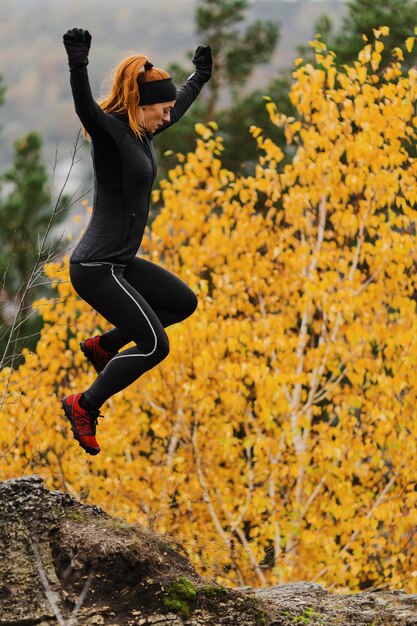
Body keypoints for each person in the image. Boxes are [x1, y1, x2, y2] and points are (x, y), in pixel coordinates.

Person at [61, 28, 212, 456]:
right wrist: (78, 62)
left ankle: (104, 344)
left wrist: (199, 77)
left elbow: (176, 104)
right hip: (94, 268)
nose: (167, 118)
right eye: (160, 111)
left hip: (121, 264)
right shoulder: (110, 133)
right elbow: (85, 107)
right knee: (153, 345)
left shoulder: (144, 134)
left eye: (167, 111)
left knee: (182, 303)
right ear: (141, 106)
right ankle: (83, 405)